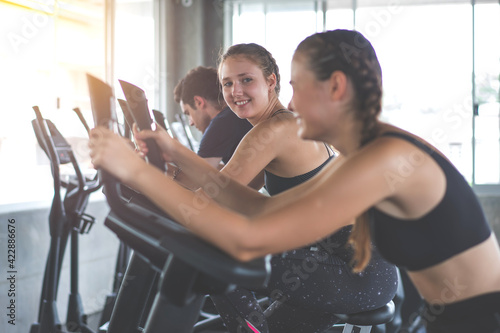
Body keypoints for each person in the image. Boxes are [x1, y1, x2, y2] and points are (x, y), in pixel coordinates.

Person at [89, 29, 500, 333]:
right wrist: (172, 152)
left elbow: (250, 238)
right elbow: (261, 209)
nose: (293, 104)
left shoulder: (385, 157)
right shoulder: (368, 152)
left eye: (297, 87)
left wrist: (136, 171)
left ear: (335, 86)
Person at [170, 66, 253, 188]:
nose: (191, 123)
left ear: (199, 102)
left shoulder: (221, 123)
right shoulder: (231, 116)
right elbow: (221, 172)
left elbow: (197, 183)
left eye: (188, 113)